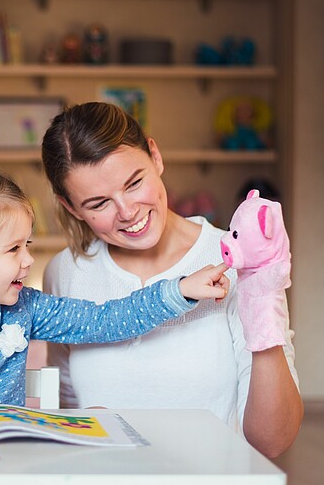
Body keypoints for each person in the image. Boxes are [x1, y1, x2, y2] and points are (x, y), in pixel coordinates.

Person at [0, 130, 229, 410]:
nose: (27, 261)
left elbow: (105, 320)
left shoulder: (25, 309)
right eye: (12, 249)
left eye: (28, 246)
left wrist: (179, 290)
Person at [41, 102, 303, 458]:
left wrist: (261, 296)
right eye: (99, 203)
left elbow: (272, 441)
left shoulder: (236, 259)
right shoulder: (65, 273)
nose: (127, 211)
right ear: (71, 208)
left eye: (134, 183)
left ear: (155, 156)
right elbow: (66, 408)